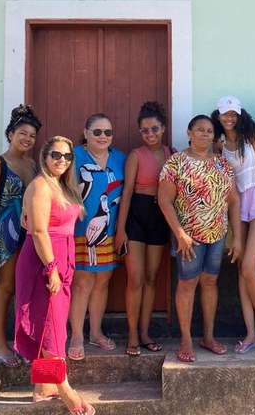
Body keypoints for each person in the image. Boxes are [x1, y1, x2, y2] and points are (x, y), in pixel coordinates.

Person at [14, 136, 94, 414]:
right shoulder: (39, 186)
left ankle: (43, 387)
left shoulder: (63, 187)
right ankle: (65, 389)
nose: (62, 160)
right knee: (50, 324)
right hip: (43, 260)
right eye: (56, 155)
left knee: (52, 322)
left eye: (67, 156)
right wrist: (52, 269)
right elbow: (38, 231)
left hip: (64, 258)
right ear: (45, 157)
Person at [158, 115, 242, 363]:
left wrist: (236, 236)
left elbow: (233, 200)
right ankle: (185, 339)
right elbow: (164, 201)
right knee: (187, 283)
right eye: (199, 130)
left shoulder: (222, 164)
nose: (205, 134)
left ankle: (208, 337)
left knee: (209, 282)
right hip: (188, 237)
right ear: (189, 133)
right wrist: (180, 233)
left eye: (209, 131)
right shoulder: (176, 163)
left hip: (217, 234)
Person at [0, 104, 41, 368]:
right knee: (6, 288)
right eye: (22, 133)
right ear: (11, 134)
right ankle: (0, 345)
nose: (27, 139)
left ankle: (22, 342)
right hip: (4, 233)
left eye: (32, 135)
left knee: (25, 289)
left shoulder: (32, 163)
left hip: (28, 232)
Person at [211, 96, 255, 354]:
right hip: (235, 206)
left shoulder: (252, 136)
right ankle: (250, 332)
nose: (229, 119)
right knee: (241, 271)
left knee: (249, 267)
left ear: (240, 115)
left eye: (233, 114)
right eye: (225, 114)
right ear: (218, 115)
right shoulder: (219, 144)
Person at [115, 102, 174, 356]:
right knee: (136, 279)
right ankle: (131, 335)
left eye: (154, 129)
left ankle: (145, 331)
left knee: (151, 278)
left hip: (160, 217)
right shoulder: (135, 156)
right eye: (144, 130)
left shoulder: (172, 154)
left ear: (163, 128)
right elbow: (126, 194)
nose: (150, 134)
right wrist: (120, 230)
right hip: (136, 217)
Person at [68, 114, 127, 361]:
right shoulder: (73, 156)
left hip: (109, 231)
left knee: (103, 282)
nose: (103, 137)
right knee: (83, 283)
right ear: (86, 132)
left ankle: (95, 332)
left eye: (108, 132)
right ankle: (77, 336)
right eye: (97, 132)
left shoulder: (120, 158)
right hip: (80, 230)